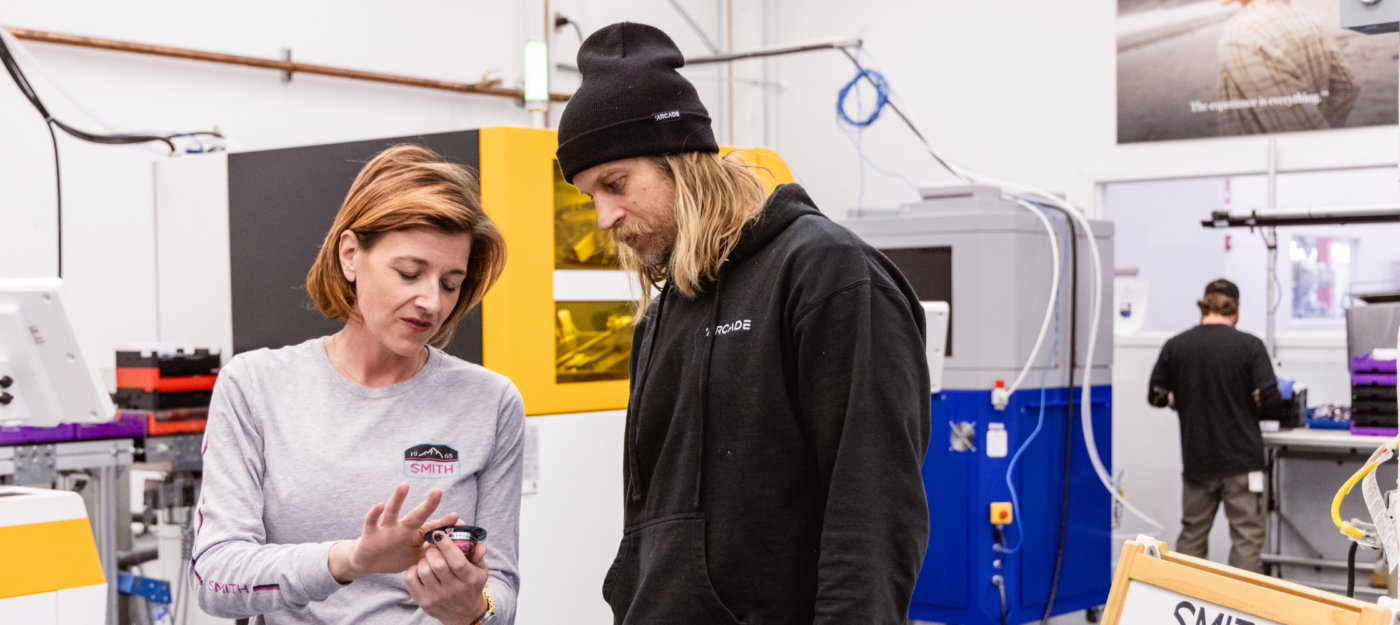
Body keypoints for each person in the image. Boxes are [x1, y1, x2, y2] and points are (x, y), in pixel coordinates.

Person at [555, 22, 932, 625]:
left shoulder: (826, 273)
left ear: (681, 161)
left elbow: (874, 506)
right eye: (588, 196)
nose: (603, 217)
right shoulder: (663, 312)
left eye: (615, 184)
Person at [193, 145, 522, 625]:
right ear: (351, 255)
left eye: (451, 283)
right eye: (409, 272)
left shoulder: (490, 402)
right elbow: (216, 578)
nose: (431, 301)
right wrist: (349, 561)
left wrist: (475, 610)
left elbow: (503, 589)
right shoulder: (256, 386)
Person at [1148, 279, 1280, 573]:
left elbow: (1155, 396)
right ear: (1236, 310)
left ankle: (1185, 606)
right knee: (1247, 540)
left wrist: (1176, 398)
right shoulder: (1249, 346)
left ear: (1203, 305)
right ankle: (1241, 611)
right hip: (1243, 463)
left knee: (1192, 538)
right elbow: (1271, 402)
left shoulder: (1177, 345)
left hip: (1198, 461)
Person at [1217, 0, 1359, 135]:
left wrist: (1319, 137)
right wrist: (1325, 126)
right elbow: (1346, 87)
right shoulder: (1303, 15)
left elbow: (1302, 137)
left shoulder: (1239, 38)